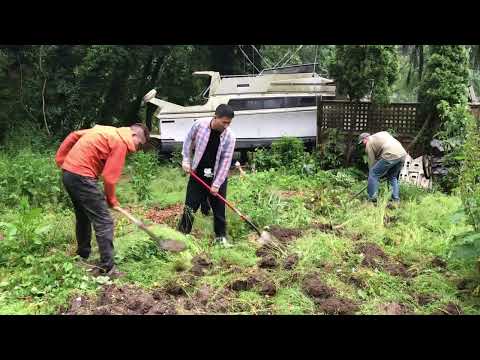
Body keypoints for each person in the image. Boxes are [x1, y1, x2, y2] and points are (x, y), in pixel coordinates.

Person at [55, 123, 150, 276]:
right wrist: (111, 199)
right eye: (139, 145)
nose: (137, 149)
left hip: (69, 174)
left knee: (83, 216)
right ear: (133, 135)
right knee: (104, 221)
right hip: (82, 176)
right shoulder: (120, 142)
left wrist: (61, 160)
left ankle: (83, 255)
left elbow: (73, 135)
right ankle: (108, 267)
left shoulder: (106, 130)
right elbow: (109, 177)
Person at [178, 104, 236, 247]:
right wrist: (186, 159)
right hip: (198, 173)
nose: (226, 126)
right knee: (190, 206)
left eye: (229, 123)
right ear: (215, 117)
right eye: (224, 122)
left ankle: (221, 238)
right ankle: (182, 236)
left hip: (217, 177)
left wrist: (216, 184)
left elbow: (225, 162)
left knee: (219, 209)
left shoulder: (230, 137)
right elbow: (188, 140)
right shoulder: (199, 125)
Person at [358, 131, 407, 204]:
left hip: (390, 153)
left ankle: (372, 198)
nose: (363, 144)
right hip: (402, 154)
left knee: (373, 173)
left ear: (366, 138)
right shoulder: (382, 134)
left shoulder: (369, 144)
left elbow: (371, 163)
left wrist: (371, 178)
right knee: (392, 177)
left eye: (362, 142)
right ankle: (395, 200)